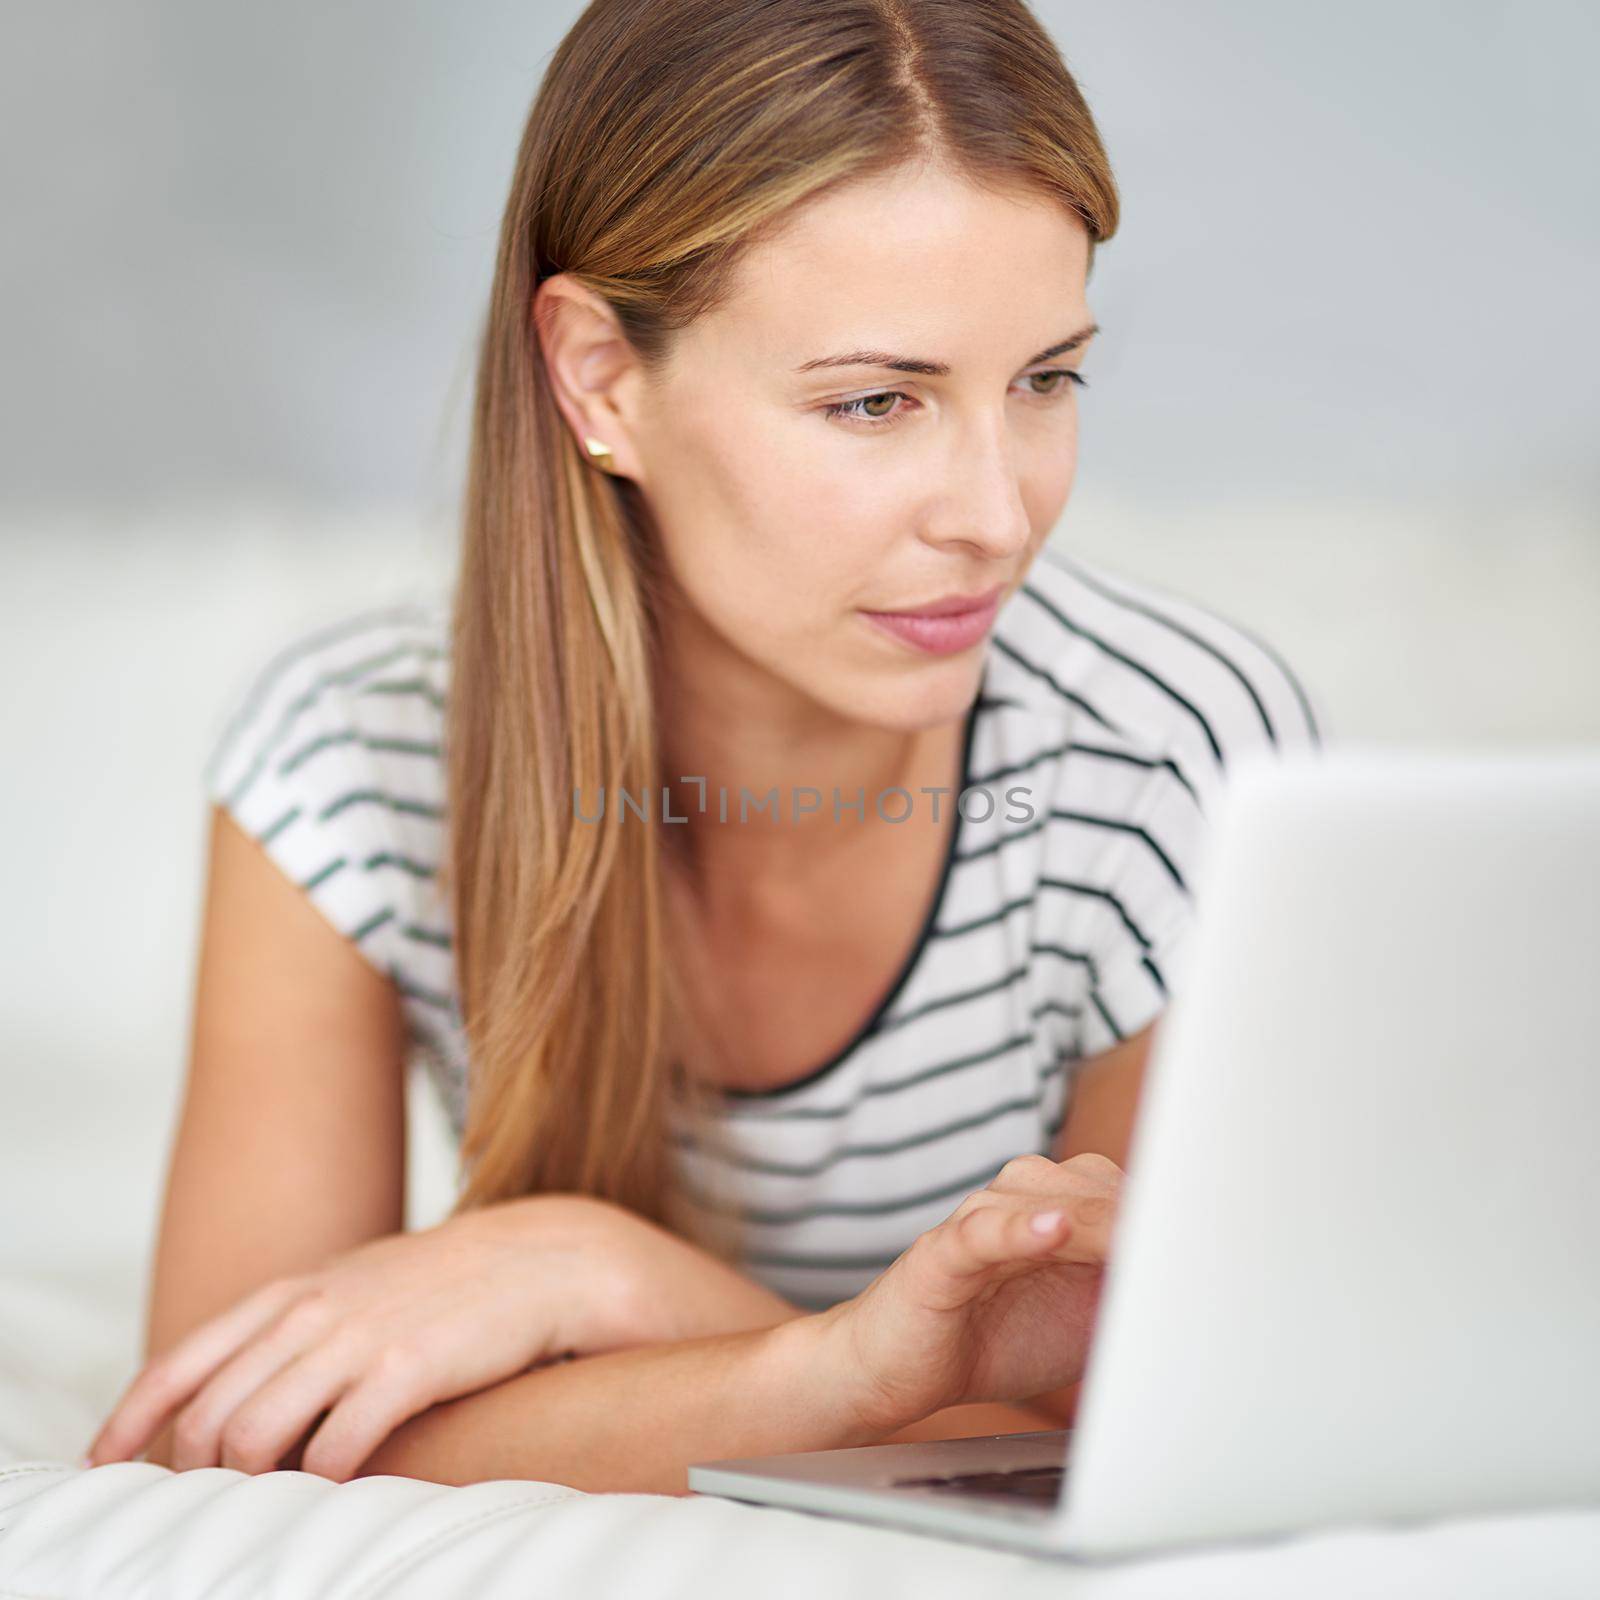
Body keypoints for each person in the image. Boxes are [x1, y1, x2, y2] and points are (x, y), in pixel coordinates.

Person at [83, 0, 1325, 1495]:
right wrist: (834, 1370)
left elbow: (1160, 1454)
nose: (999, 516)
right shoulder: (347, 765)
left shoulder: (1173, 762)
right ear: (602, 377)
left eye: (1046, 380)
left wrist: (610, 1280)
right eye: (876, 401)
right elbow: (226, 1432)